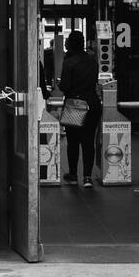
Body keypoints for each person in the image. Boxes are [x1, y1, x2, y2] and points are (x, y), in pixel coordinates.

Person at [58, 29, 102, 189]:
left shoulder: (68, 62)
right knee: (88, 141)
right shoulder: (92, 61)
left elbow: (65, 86)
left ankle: (73, 175)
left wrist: (60, 84)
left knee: (73, 141)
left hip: (75, 106)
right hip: (92, 105)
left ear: (70, 44)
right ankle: (88, 177)